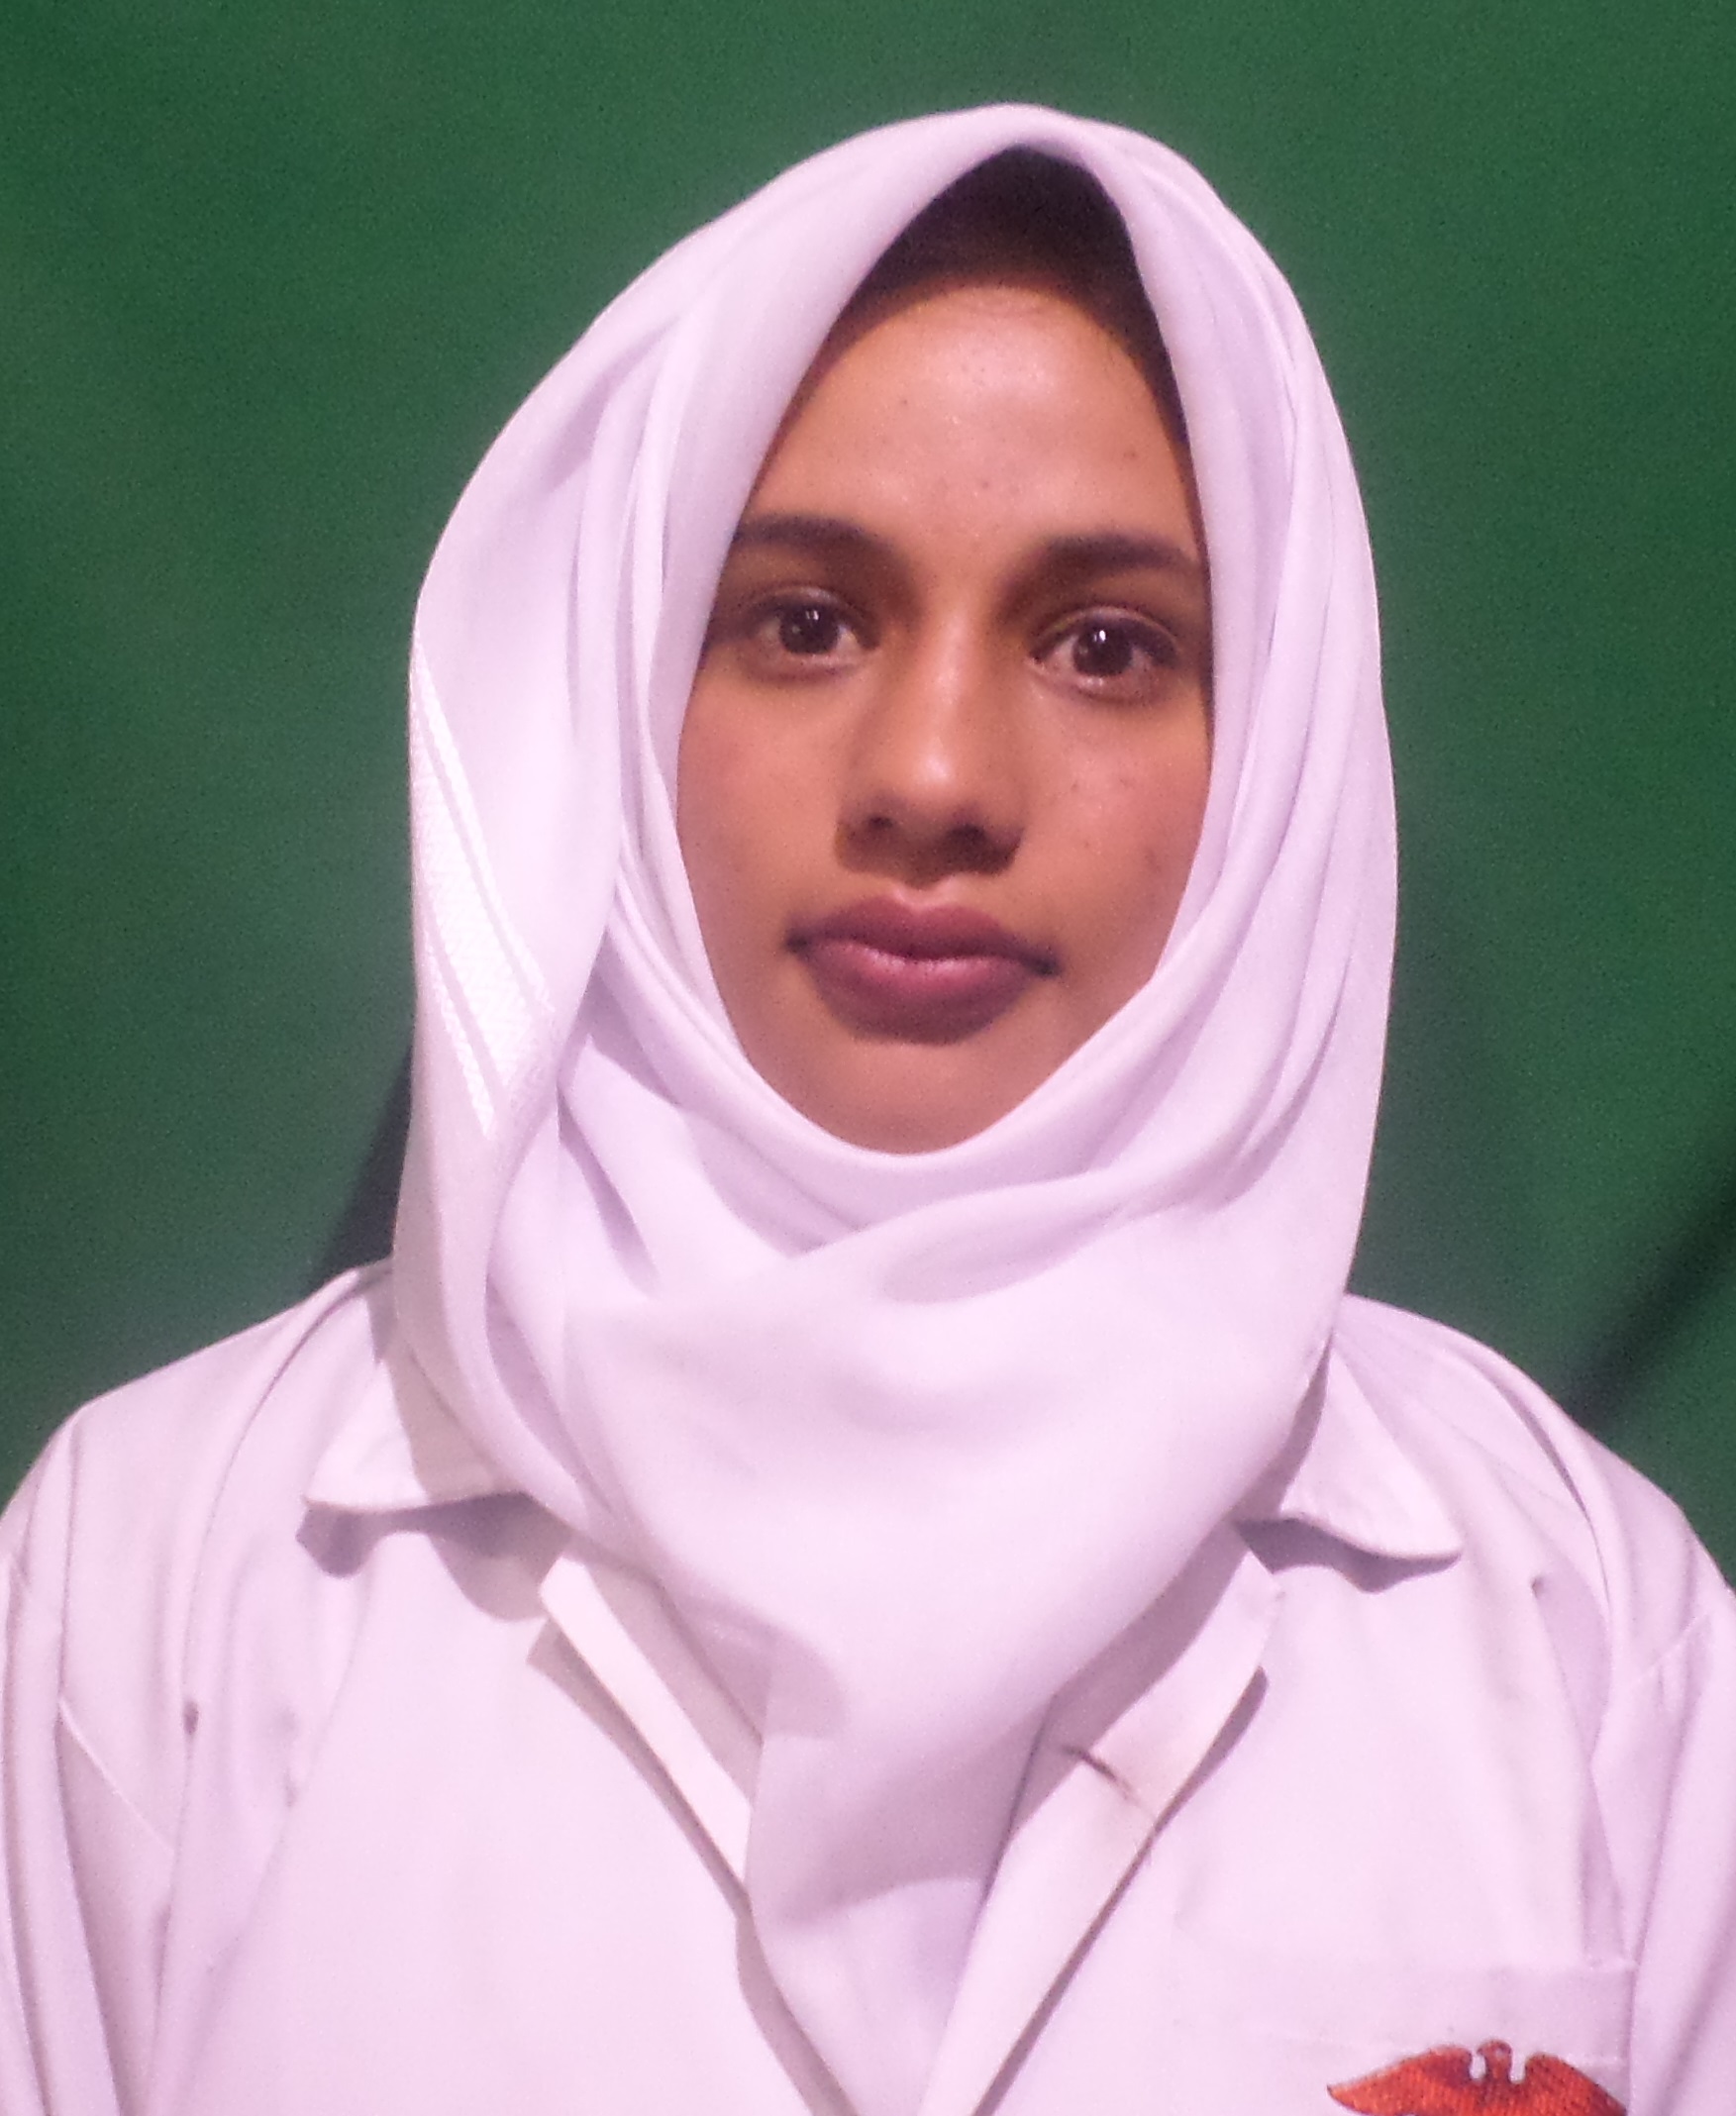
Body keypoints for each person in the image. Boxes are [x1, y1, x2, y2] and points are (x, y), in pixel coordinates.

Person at [2, 105, 1731, 2116]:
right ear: (618, 695)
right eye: (803, 621)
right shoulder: (150, 1586)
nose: (932, 777)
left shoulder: (1573, 1619)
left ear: (1272, 758)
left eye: (1104, 645)